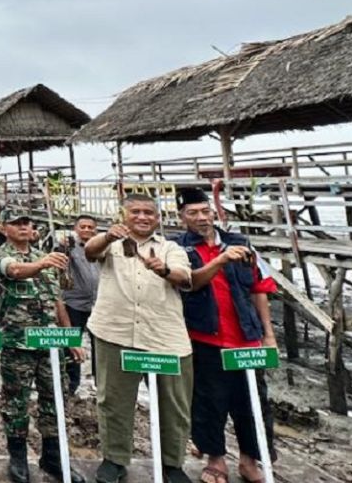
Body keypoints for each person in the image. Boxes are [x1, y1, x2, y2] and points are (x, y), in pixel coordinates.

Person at [85, 195, 193, 483]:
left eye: (148, 212)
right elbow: (89, 251)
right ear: (124, 215)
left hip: (165, 335)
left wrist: (164, 269)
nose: (142, 217)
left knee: (174, 404)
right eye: (135, 212)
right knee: (113, 400)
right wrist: (107, 234)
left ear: (158, 218)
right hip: (114, 331)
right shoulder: (111, 244)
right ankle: (114, 458)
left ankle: (172, 462)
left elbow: (185, 277)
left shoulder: (171, 247)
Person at [173, 188, 277, 483]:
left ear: (215, 212)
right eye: (192, 213)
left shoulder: (242, 244)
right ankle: (215, 459)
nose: (201, 218)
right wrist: (219, 261)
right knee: (208, 401)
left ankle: (249, 459)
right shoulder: (179, 248)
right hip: (205, 337)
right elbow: (189, 284)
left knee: (254, 402)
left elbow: (260, 288)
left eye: (205, 211)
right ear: (181, 217)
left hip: (246, 338)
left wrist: (269, 335)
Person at [0, 210, 86, 483]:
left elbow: (57, 301)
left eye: (26, 222)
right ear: (4, 228)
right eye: (17, 223)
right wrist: (43, 263)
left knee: (54, 400)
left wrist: (71, 338)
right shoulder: (1, 254)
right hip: (18, 343)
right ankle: (18, 457)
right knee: (16, 402)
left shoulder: (42, 256)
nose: (24, 227)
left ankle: (52, 456)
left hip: (50, 345)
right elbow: (14, 271)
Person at [62, 216, 100, 394]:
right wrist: (64, 246)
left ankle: (100, 382)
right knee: (71, 342)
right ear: (76, 229)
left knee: (99, 343)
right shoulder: (69, 247)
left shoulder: (101, 247)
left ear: (95, 230)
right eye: (82, 227)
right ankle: (71, 383)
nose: (86, 230)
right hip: (74, 302)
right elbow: (59, 254)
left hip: (98, 304)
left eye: (90, 227)